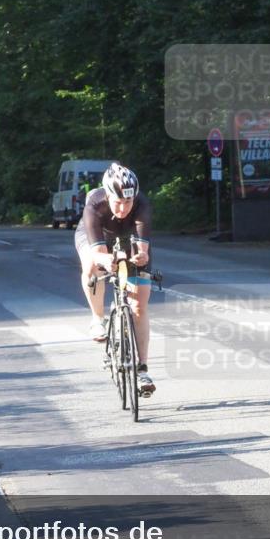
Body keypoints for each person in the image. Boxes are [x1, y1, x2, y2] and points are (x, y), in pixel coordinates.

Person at [75, 163, 156, 396]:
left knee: (139, 305)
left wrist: (140, 257)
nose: (122, 208)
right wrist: (105, 260)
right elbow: (98, 252)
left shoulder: (141, 205)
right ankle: (97, 318)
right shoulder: (95, 205)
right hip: (97, 236)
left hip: (128, 236)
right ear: (108, 196)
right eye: (117, 202)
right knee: (92, 265)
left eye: (127, 203)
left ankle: (142, 370)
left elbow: (142, 250)